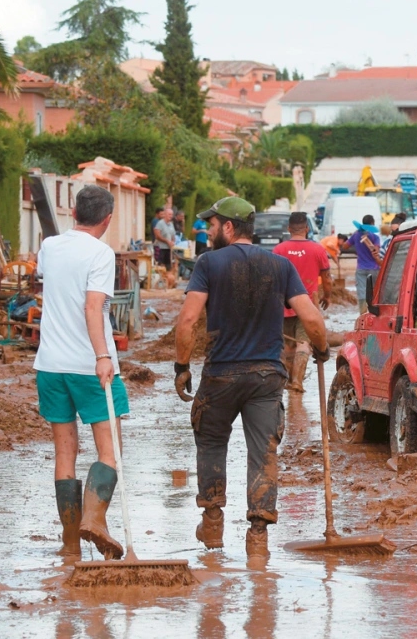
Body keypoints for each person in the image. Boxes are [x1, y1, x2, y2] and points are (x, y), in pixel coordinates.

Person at [173, 196, 329, 566]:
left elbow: (187, 320)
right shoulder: (280, 265)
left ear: (228, 227)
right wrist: (321, 349)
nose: (209, 232)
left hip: (221, 375)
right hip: (265, 377)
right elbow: (311, 317)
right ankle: (257, 538)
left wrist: (181, 366)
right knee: (264, 453)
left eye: (212, 225)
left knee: (211, 443)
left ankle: (212, 522)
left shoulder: (209, 263)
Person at [33, 185, 131, 561]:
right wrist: (103, 355)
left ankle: (71, 543)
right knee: (110, 451)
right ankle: (95, 520)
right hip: (89, 367)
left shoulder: (50, 247)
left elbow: (49, 281)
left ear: (74, 214)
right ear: (107, 220)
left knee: (64, 454)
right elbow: (94, 309)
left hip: (50, 366)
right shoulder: (101, 253)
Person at [272, 212, 332, 393]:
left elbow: (272, 278)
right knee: (303, 343)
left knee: (285, 345)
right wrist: (327, 296)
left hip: (282, 304)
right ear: (307, 228)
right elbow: (327, 278)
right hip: (307, 306)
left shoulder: (279, 250)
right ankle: (297, 381)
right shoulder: (317, 249)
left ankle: (283, 382)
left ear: (289, 228)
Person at [346, 215, 383, 314]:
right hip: (374, 268)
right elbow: (376, 251)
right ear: (372, 223)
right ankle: (374, 314)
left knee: (362, 292)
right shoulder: (375, 237)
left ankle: (363, 314)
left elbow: (345, 246)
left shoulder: (356, 235)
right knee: (375, 292)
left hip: (361, 269)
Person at [153, 209, 177, 287]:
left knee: (168, 265)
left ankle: (169, 282)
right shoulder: (160, 223)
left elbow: (173, 235)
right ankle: (159, 282)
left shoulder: (171, 224)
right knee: (160, 265)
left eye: (172, 215)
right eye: (169, 214)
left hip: (168, 248)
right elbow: (157, 235)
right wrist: (166, 241)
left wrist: (173, 241)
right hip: (160, 247)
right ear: (165, 215)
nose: (171, 216)